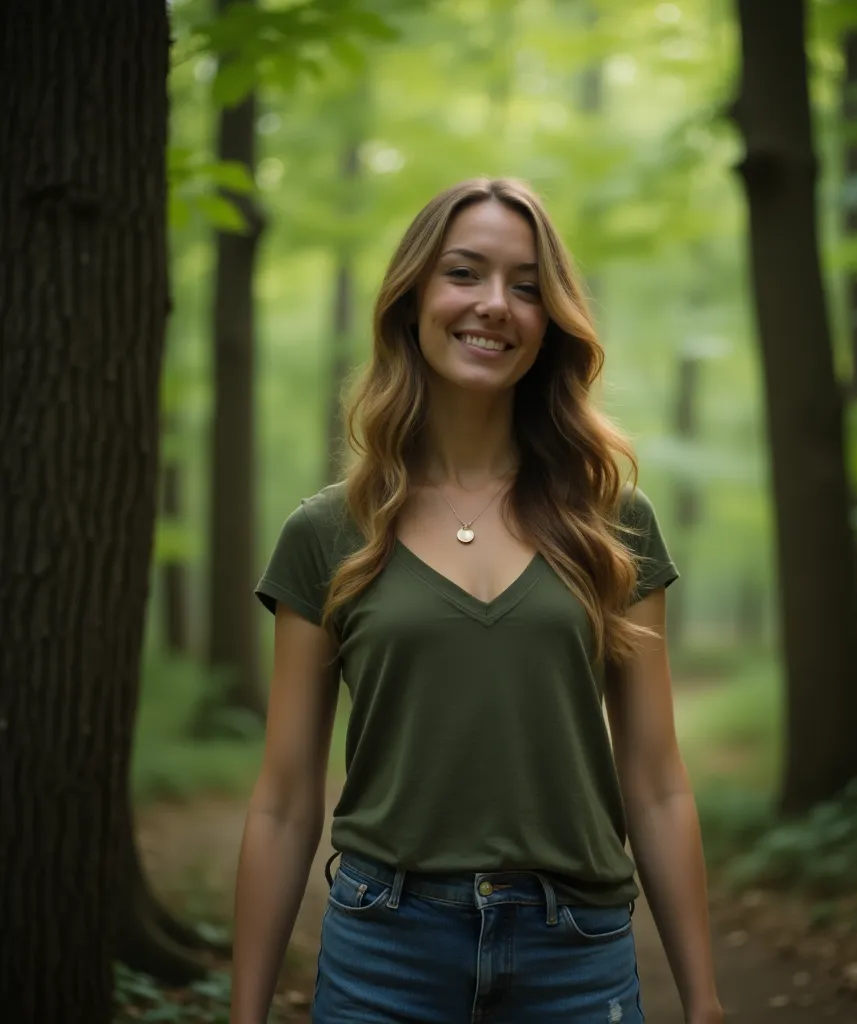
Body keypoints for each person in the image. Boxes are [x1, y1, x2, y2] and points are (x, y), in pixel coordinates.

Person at [229, 177, 723, 1024]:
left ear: (551, 321)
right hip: (384, 952)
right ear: (413, 298)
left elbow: (656, 781)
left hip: (577, 955)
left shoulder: (613, 524)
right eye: (465, 273)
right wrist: (244, 1013)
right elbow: (282, 799)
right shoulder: (327, 532)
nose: (495, 304)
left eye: (527, 286)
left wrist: (704, 1000)